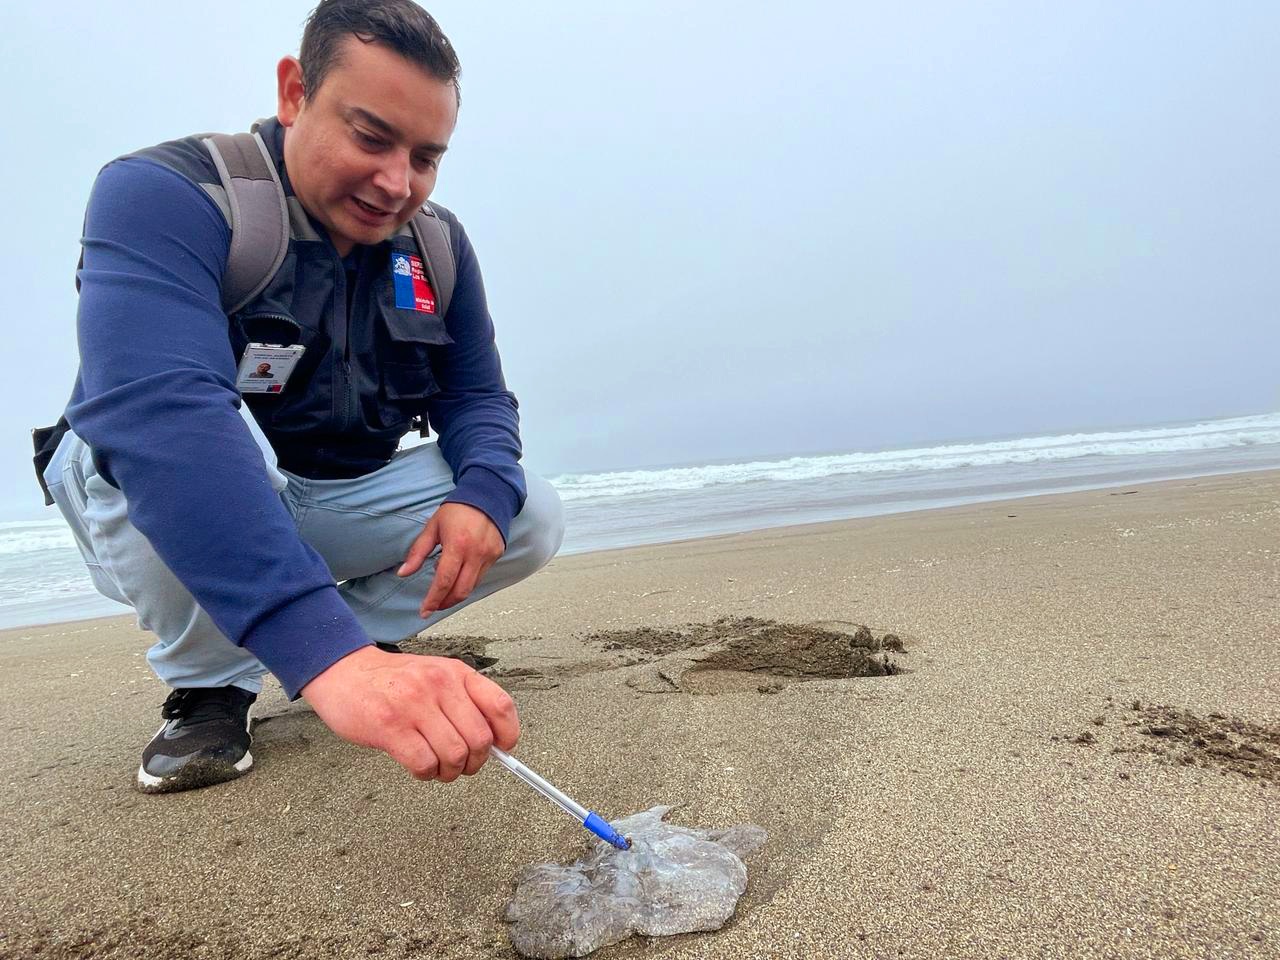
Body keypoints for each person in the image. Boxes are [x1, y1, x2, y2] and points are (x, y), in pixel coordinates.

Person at [40, 0, 564, 794]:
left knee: (524, 511)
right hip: (160, 499)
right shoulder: (164, 194)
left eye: (426, 156)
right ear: (294, 94)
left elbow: (479, 395)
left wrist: (483, 495)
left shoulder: (438, 247)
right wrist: (328, 658)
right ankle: (214, 683)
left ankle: (329, 643)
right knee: (190, 435)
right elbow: (159, 414)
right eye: (371, 136)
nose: (397, 182)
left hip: (329, 494)